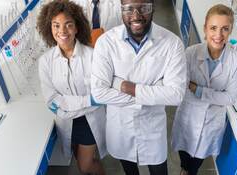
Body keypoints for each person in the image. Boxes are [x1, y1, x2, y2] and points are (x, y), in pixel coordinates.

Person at [91, 0, 187, 174]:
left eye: (144, 8)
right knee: (129, 170)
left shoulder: (172, 44)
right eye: (128, 8)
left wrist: (120, 84)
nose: (136, 15)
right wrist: (153, 91)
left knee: (159, 170)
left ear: (153, 8)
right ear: (121, 9)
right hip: (120, 127)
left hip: (152, 129)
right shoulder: (105, 43)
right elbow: (98, 93)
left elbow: (175, 95)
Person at [171, 4, 237, 175]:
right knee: (185, 153)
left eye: (225, 29)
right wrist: (215, 95)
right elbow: (182, 85)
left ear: (231, 31)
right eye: (213, 28)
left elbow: (231, 98)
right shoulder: (190, 53)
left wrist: (198, 90)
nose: (218, 35)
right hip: (188, 115)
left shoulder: (235, 61)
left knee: (197, 161)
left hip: (211, 123)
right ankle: (183, 169)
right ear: (205, 29)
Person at [36, 1, 106, 174]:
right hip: (67, 122)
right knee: (80, 157)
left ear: (77, 28)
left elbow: (100, 96)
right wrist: (87, 101)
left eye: (68, 25)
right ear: (49, 28)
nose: (62, 31)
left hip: (89, 122)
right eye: (56, 25)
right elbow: (52, 102)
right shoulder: (45, 61)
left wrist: (66, 106)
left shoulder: (93, 56)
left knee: (85, 166)